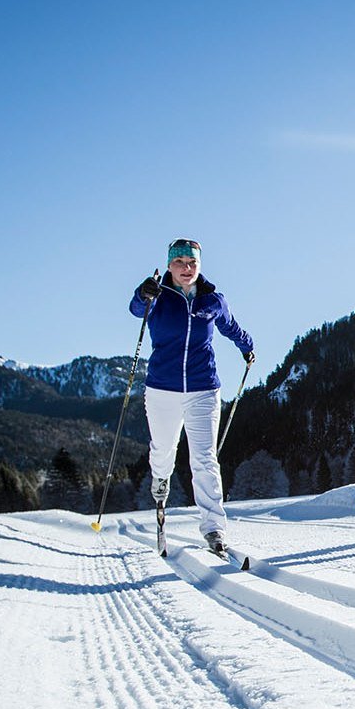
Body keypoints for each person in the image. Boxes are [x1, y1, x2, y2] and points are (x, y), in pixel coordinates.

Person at [131, 238, 254, 555]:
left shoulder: (212, 300)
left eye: (192, 263)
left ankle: (214, 528)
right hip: (162, 390)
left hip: (203, 388)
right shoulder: (157, 296)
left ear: (199, 266)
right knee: (163, 450)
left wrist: (247, 347)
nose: (187, 269)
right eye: (180, 262)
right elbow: (136, 309)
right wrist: (142, 293)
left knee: (203, 459)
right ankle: (160, 485)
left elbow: (231, 327)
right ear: (169, 265)